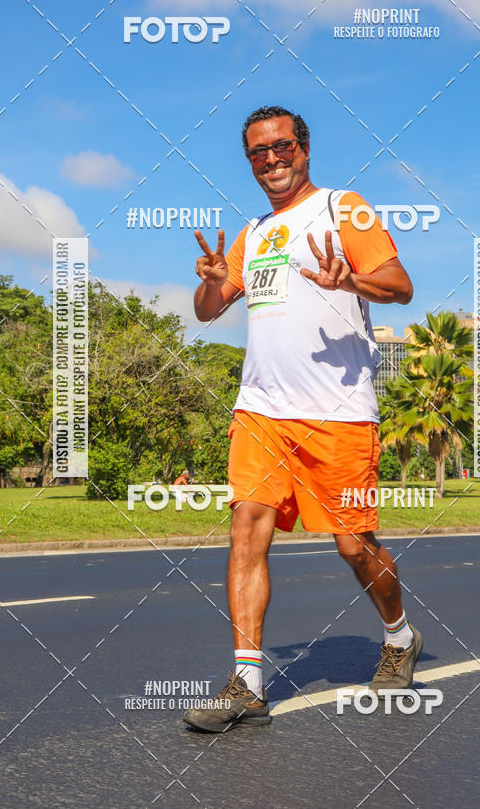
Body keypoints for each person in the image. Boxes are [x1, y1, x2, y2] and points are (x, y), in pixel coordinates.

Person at [183, 105, 420, 734]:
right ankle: (248, 682)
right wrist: (210, 282)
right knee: (246, 533)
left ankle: (398, 636)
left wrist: (352, 283)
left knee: (355, 545)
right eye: (257, 152)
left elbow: (400, 285)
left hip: (339, 413)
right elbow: (209, 310)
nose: (270, 159)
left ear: (304, 149)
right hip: (261, 410)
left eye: (280, 146)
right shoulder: (253, 233)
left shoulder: (345, 207)